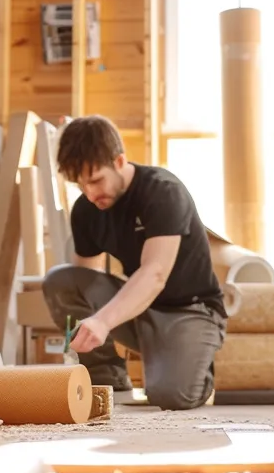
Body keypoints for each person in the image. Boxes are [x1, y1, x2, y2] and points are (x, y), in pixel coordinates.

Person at [42, 116, 225, 411]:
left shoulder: (162, 191)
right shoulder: (86, 210)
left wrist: (103, 321)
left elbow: (155, 274)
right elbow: (83, 280)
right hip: (141, 311)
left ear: (119, 161)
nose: (89, 193)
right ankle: (106, 376)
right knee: (62, 281)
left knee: (172, 396)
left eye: (96, 180)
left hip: (190, 311)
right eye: (80, 185)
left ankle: (191, 358)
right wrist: (81, 336)